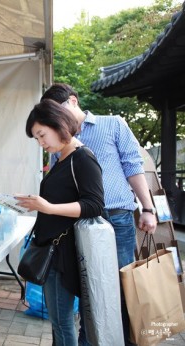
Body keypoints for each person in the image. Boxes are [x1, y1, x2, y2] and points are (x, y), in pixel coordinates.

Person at [41, 83, 157, 346]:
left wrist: (148, 208)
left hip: (116, 217)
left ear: (73, 101)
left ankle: (122, 340)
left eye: (58, 111)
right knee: (88, 287)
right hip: (79, 221)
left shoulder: (112, 124)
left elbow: (132, 165)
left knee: (119, 287)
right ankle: (89, 341)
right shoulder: (60, 138)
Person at [16, 99, 105, 346]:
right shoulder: (62, 159)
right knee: (59, 322)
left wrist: (48, 207)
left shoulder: (82, 158)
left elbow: (95, 204)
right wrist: (37, 203)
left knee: (62, 322)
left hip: (63, 254)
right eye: (36, 138)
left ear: (58, 125)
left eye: (42, 135)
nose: (41, 143)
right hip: (54, 250)